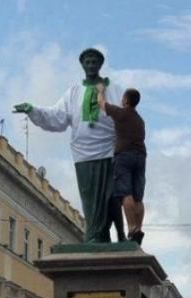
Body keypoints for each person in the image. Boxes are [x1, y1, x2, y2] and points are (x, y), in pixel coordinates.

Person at [14, 48, 126, 243]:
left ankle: (111, 236)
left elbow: (125, 118)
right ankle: (95, 236)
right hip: (83, 153)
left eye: (94, 62)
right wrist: (32, 110)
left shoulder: (114, 90)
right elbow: (56, 117)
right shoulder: (73, 92)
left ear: (100, 65)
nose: (91, 65)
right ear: (82, 65)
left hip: (109, 151)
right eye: (87, 62)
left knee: (110, 197)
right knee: (90, 200)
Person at [96, 84, 147, 244]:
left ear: (125, 100)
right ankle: (139, 228)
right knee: (138, 197)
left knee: (126, 193)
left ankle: (131, 228)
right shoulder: (140, 120)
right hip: (141, 157)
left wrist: (100, 91)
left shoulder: (122, 113)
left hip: (124, 155)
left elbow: (101, 104)